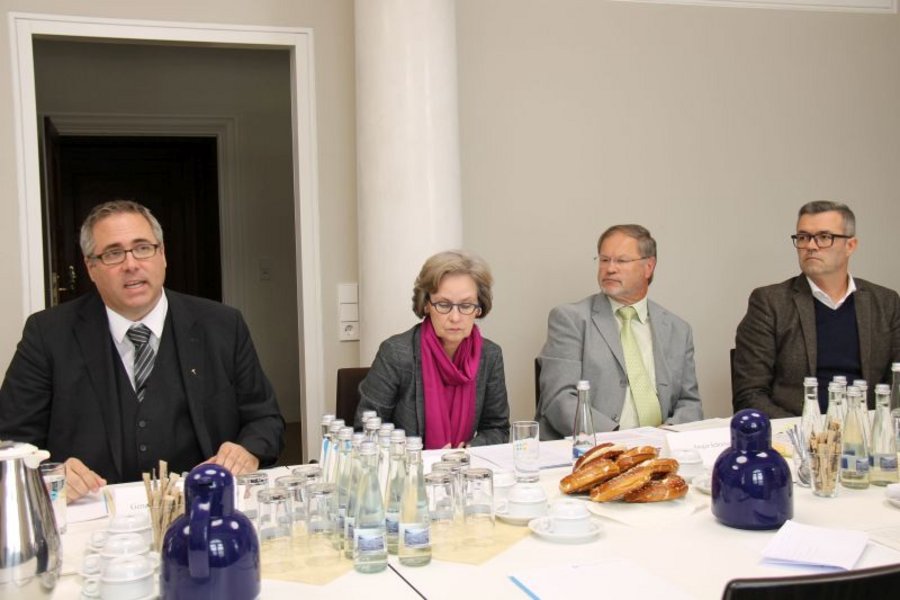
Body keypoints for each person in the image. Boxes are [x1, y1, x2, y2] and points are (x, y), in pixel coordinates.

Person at [0, 200, 284, 501]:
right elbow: (10, 441)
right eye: (113, 253)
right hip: (91, 509)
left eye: (143, 248)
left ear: (162, 255)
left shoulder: (222, 325)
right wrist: (50, 475)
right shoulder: (48, 334)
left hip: (202, 505)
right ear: (91, 268)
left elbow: (265, 420)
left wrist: (247, 451)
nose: (131, 264)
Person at [733, 201, 900, 416]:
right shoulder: (770, 302)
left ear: (850, 245)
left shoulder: (886, 302)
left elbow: (897, 383)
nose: (811, 246)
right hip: (795, 429)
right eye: (803, 237)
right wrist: (804, 430)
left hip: (867, 429)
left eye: (824, 237)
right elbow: (749, 394)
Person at [537, 224, 703, 438]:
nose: (610, 269)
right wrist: (621, 439)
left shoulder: (678, 329)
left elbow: (690, 403)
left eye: (621, 261)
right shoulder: (571, 319)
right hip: (595, 448)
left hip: (660, 447)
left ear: (648, 267)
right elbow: (559, 400)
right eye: (604, 260)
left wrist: (666, 434)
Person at [354, 250, 509, 449]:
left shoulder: (490, 355)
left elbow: (497, 428)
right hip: (411, 466)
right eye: (443, 305)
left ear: (479, 308)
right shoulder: (396, 354)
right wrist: (418, 457)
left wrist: (468, 451)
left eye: (466, 305)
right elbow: (366, 432)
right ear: (426, 305)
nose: (455, 317)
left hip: (465, 465)